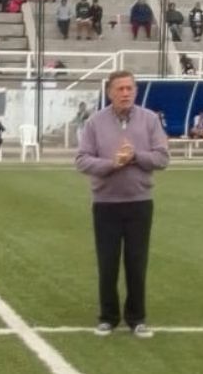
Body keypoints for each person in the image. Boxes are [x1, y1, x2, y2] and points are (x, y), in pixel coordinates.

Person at [76, 70, 169, 339]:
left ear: (136, 91)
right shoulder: (95, 122)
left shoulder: (150, 120)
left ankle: (137, 318)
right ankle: (107, 317)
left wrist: (135, 156)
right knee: (107, 263)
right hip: (106, 203)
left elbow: (162, 158)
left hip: (139, 203)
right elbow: (82, 160)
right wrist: (111, 164)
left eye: (129, 88)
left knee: (136, 262)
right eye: (120, 89)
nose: (125, 93)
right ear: (110, 93)